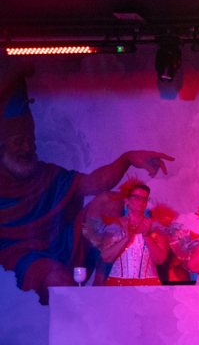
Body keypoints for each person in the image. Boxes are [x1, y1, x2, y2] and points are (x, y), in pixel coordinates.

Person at [0, 63, 173, 303]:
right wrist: (128, 237)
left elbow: (94, 183)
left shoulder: (48, 174)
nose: (27, 148)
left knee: (108, 201)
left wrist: (127, 158)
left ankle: (97, 284)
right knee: (60, 283)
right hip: (20, 253)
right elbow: (110, 253)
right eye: (19, 141)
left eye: (31, 141)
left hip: (63, 245)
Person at [102, 182, 168, 286]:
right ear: (126, 200)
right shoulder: (115, 225)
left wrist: (147, 236)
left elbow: (160, 260)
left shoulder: (156, 227)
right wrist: (126, 239)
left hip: (149, 285)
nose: (142, 201)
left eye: (145, 198)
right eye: (137, 197)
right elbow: (106, 258)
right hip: (118, 285)